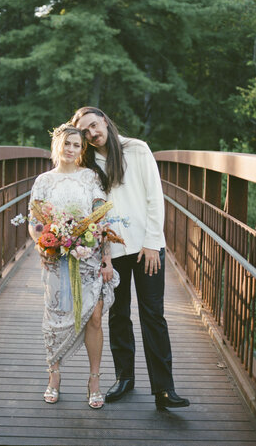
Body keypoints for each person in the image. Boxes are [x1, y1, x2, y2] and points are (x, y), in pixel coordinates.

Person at [71, 106, 190, 409]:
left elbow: (155, 196)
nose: (91, 134)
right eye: (84, 132)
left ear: (106, 123)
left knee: (153, 314)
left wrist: (152, 242)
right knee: (118, 315)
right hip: (112, 251)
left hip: (147, 247)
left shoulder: (137, 150)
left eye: (94, 126)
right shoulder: (86, 164)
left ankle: (164, 389)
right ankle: (125, 378)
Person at [28, 123, 119, 409]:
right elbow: (35, 222)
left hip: (89, 256)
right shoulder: (43, 180)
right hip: (57, 259)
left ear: (82, 150)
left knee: (94, 316)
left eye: (77, 145)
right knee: (55, 318)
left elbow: (101, 220)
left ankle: (94, 380)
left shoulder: (90, 178)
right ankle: (54, 376)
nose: (71, 149)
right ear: (57, 145)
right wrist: (44, 243)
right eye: (67, 143)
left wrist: (106, 258)